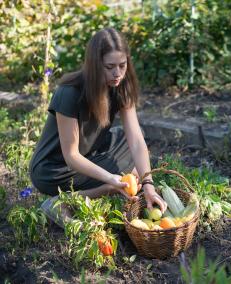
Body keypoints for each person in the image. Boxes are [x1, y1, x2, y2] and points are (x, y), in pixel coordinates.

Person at [29, 28, 167, 228]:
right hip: (54, 169)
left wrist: (149, 186)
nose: (117, 73)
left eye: (122, 65)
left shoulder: (121, 86)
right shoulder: (69, 93)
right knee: (126, 176)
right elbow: (71, 156)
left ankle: (100, 188)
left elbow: (136, 142)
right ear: (94, 65)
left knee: (137, 157)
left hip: (91, 154)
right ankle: (61, 203)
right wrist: (111, 179)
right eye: (110, 66)